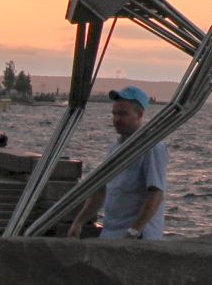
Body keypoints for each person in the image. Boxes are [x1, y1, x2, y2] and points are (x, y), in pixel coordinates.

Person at [66, 86, 167, 240]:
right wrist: (79, 221)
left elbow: (156, 194)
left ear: (139, 114)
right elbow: (100, 190)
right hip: (111, 234)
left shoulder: (151, 148)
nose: (116, 119)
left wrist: (134, 231)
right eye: (114, 114)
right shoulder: (115, 148)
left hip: (136, 239)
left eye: (123, 114)